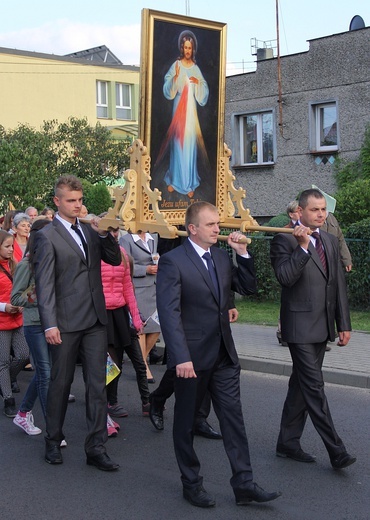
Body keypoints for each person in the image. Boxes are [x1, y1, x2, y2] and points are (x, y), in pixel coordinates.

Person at [156, 201, 281, 508]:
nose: (218, 229)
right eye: (211, 224)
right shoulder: (174, 261)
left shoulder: (222, 257)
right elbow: (169, 314)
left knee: (233, 420)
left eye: (218, 224)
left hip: (224, 354)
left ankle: (244, 483)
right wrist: (180, 356)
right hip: (192, 359)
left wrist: (243, 255)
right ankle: (191, 482)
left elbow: (247, 288)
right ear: (193, 228)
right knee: (185, 423)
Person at [33, 175, 121, 471]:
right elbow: (44, 285)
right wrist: (49, 324)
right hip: (66, 322)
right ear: (57, 201)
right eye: (71, 201)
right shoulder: (47, 235)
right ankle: (52, 439)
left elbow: (114, 260)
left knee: (98, 385)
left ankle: (96, 448)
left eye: (80, 200)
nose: (77, 205)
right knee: (61, 383)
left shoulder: (88, 229)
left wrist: (108, 233)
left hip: (96, 319)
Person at [270, 188, 356, 470]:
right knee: (315, 388)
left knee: (301, 386)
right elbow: (285, 277)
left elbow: (337, 286)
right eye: (315, 210)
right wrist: (304, 247)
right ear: (300, 212)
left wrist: (343, 324)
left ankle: (287, 442)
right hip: (298, 327)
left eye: (323, 210)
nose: (321, 214)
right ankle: (337, 450)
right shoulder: (284, 239)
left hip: (323, 327)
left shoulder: (330, 240)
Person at [100, 221, 148, 425]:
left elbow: (128, 288)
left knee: (139, 362)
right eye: (109, 230)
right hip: (102, 316)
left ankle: (147, 403)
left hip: (121, 314)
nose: (113, 233)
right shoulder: (94, 254)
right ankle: (110, 402)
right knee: (114, 364)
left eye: (116, 230)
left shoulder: (123, 255)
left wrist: (136, 318)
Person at [11, 218, 52, 435]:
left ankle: (23, 413)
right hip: (34, 323)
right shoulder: (26, 265)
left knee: (47, 373)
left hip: (53, 323)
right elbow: (16, 298)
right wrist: (37, 293)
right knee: (45, 373)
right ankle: (52, 429)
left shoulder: (53, 261)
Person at [159, 30, 209, 198]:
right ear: (182, 48)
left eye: (190, 48)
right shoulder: (177, 65)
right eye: (185, 47)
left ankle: (189, 183)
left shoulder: (195, 68)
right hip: (179, 107)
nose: (187, 50)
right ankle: (174, 180)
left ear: (192, 49)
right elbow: (168, 87)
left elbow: (204, 88)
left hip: (191, 111)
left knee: (189, 143)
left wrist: (198, 84)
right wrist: (175, 79)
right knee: (177, 142)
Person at [119, 230, 161, 383]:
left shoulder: (153, 237)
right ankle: (143, 366)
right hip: (139, 287)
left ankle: (141, 359)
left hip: (154, 286)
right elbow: (124, 264)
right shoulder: (126, 240)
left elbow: (155, 255)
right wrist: (145, 269)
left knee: (157, 326)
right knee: (142, 327)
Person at [0, 230, 29, 417]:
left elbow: (23, 290)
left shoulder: (15, 265)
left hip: (17, 319)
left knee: (24, 355)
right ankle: (8, 399)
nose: (12, 249)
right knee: (2, 362)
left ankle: (4, 381)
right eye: (7, 246)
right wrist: (4, 307)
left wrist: (22, 302)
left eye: (12, 246)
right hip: (2, 322)